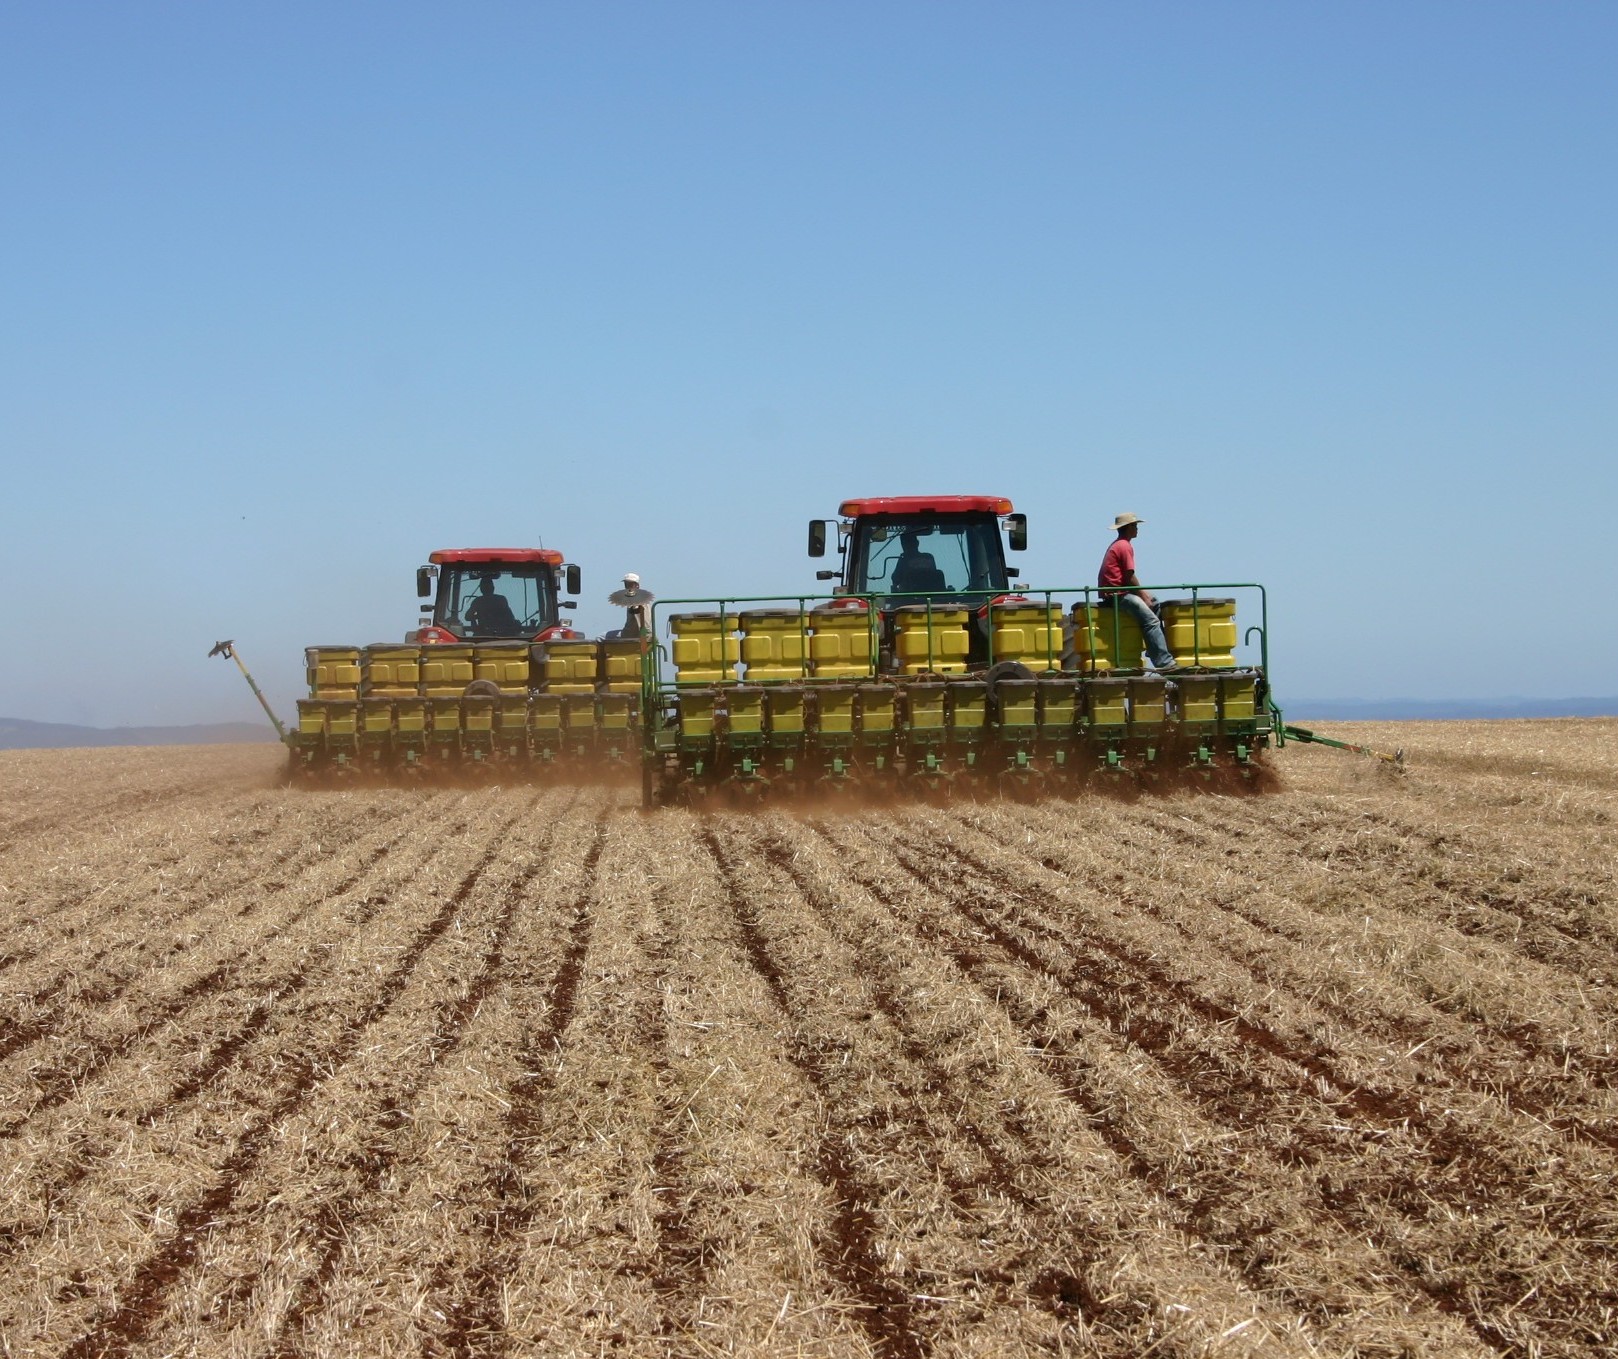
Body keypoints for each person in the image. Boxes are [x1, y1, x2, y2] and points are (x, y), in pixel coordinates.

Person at [1098, 513, 1178, 672]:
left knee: (1155, 602)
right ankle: (1164, 663)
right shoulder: (1124, 546)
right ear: (1128, 528)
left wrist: (1146, 597)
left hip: (1116, 591)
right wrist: (1142, 595)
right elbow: (1129, 576)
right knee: (1152, 621)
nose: (1137, 529)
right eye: (1135, 526)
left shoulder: (1118, 544)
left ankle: (1154, 647)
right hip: (1117, 595)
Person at [891, 530, 944, 595]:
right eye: (904, 543)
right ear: (917, 543)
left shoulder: (904, 559)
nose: (905, 546)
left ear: (917, 543)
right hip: (934, 599)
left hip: (908, 601)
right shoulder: (928, 557)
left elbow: (895, 579)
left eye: (908, 543)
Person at [608, 572, 654, 637]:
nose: (627, 587)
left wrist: (633, 609)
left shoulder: (635, 600)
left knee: (600, 637)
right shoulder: (645, 599)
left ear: (637, 585)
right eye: (626, 584)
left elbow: (636, 609)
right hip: (645, 634)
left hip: (632, 635)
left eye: (630, 584)